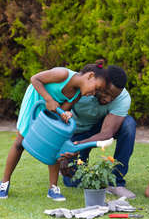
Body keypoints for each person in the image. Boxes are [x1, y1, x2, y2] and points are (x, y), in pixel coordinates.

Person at [0, 63, 108, 201]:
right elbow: (35, 79)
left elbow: (63, 110)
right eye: (96, 88)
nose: (93, 94)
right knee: (20, 142)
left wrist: (66, 114)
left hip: (51, 108)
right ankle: (4, 183)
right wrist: (49, 99)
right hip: (36, 99)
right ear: (90, 76)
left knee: (55, 144)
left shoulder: (77, 95)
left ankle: (53, 188)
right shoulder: (62, 74)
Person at [60, 64, 137, 199]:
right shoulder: (83, 85)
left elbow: (107, 133)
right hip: (74, 131)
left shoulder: (123, 98)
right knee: (72, 181)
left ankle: (116, 182)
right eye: (106, 93)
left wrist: (77, 146)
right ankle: (78, 168)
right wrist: (65, 150)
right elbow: (58, 117)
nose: (108, 100)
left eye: (113, 97)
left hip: (98, 129)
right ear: (100, 83)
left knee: (128, 124)